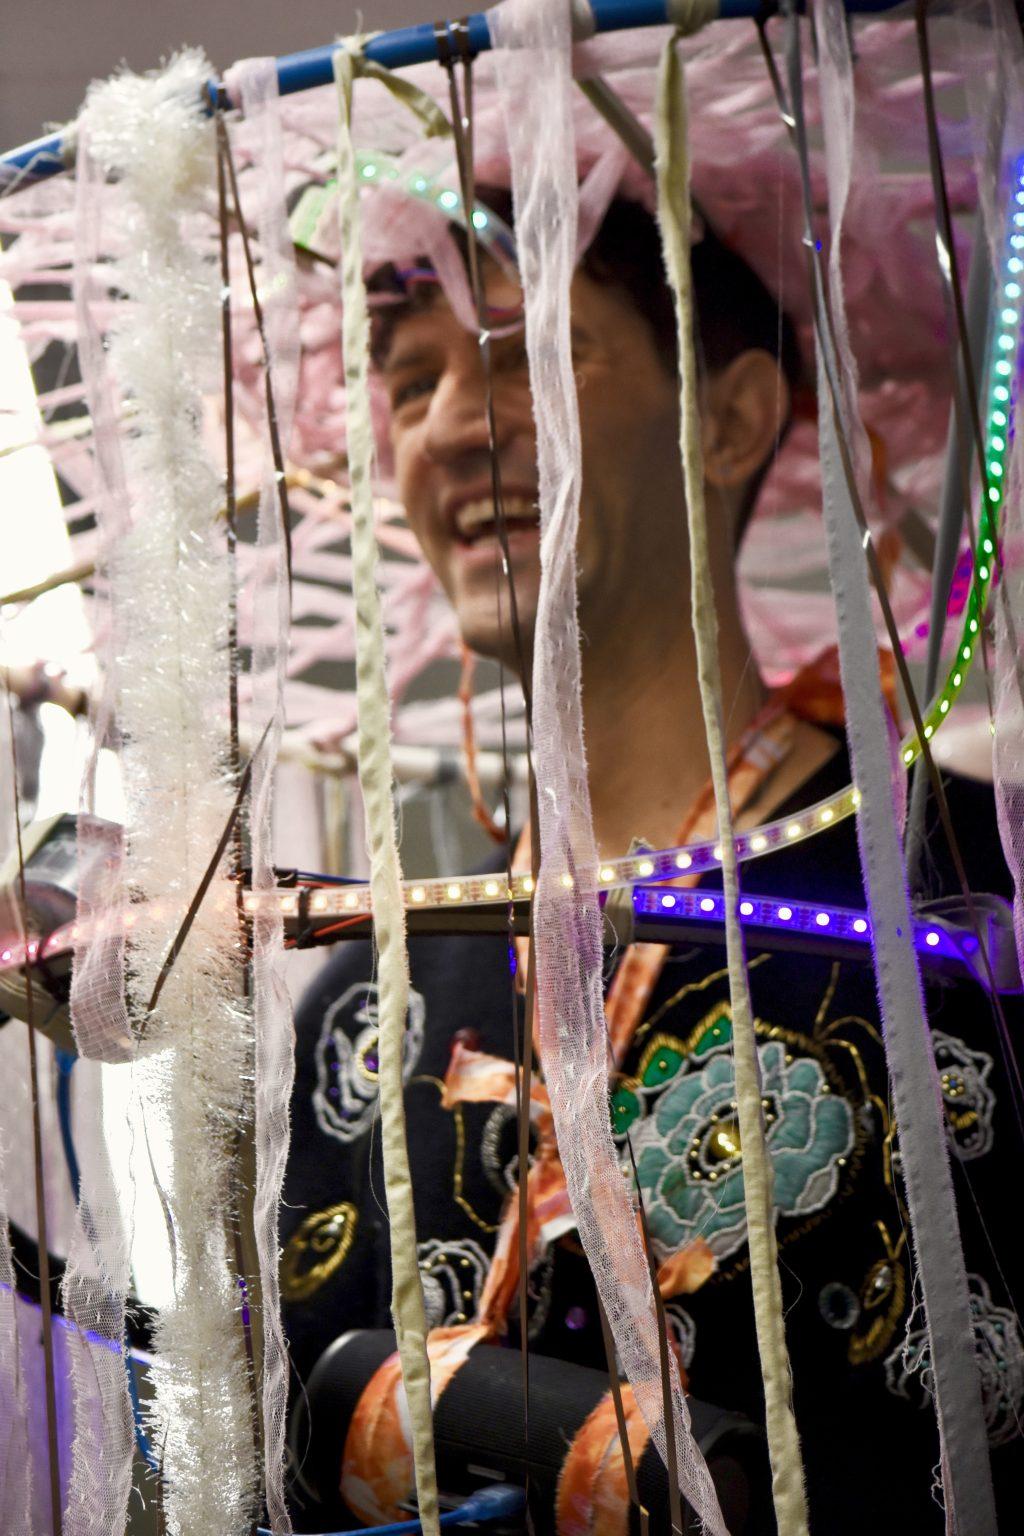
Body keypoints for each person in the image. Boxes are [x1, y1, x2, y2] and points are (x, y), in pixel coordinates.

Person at [281, 186, 1024, 1533]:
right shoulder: (359, 1001)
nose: (450, 424)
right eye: (407, 382)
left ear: (731, 420)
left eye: (530, 353)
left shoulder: (969, 883)